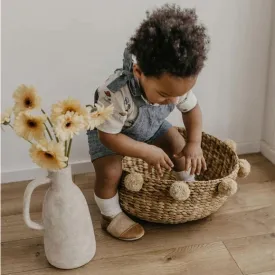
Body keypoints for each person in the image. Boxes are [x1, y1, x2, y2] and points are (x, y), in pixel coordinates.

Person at [87, 4, 210, 241]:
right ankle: (110, 214)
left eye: (179, 94)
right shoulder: (114, 93)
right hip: (110, 133)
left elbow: (192, 109)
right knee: (110, 172)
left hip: (148, 127)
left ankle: (190, 186)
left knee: (178, 144)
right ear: (139, 71)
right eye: (164, 95)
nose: (173, 100)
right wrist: (144, 150)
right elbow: (109, 137)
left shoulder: (176, 84)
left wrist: (194, 142)